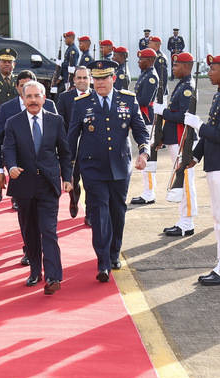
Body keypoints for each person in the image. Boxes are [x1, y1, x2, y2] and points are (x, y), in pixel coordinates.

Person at [67, 60, 150, 282]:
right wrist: (69, 171)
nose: (100, 83)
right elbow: (72, 137)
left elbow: (141, 131)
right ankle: (102, 261)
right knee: (100, 213)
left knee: (117, 212)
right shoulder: (82, 103)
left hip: (120, 167)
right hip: (92, 168)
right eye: (96, 79)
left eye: (104, 78)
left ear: (113, 78)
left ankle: (115, 253)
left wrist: (144, 153)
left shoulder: (128, 100)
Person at [3, 81, 72, 294]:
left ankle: (53, 276)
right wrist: (11, 166)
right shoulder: (13, 122)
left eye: (37, 96)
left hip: (48, 185)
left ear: (44, 98)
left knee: (49, 230)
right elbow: (9, 149)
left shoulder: (56, 121)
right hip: (24, 185)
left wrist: (67, 177)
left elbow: (65, 152)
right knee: (30, 232)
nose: (33, 100)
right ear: (23, 99)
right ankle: (35, 271)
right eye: (29, 96)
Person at [184, 54, 220, 286]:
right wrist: (196, 156)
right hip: (214, 161)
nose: (209, 73)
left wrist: (198, 125)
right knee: (219, 217)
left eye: (213, 69)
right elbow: (213, 129)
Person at [0, 70, 57, 266]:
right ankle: (30, 250)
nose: (30, 94)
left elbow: (57, 140)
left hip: (46, 177)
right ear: (19, 89)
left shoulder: (50, 106)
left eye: (33, 88)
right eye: (24, 87)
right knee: (27, 221)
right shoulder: (7, 109)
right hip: (21, 175)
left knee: (46, 225)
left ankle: (49, 265)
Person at [153, 52, 198, 237]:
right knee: (183, 180)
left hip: (183, 140)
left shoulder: (187, 87)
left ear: (187, 67)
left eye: (176, 65)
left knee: (185, 181)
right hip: (176, 138)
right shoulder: (181, 84)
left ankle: (187, 222)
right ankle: (184, 219)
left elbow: (183, 116)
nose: (173, 68)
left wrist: (163, 111)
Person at [56, 66, 92, 225]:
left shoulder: (96, 95)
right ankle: (73, 200)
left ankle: (90, 213)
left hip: (92, 148)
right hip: (71, 148)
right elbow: (60, 124)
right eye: (79, 78)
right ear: (74, 80)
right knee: (74, 179)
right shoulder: (65, 98)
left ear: (90, 79)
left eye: (85, 78)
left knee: (92, 182)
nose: (82, 81)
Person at [131, 48, 159, 205]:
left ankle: (149, 193)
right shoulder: (145, 74)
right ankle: (147, 191)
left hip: (146, 118)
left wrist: (131, 101)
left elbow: (143, 100)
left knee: (146, 154)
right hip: (142, 116)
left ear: (149, 61)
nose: (139, 62)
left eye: (141, 59)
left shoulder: (151, 77)